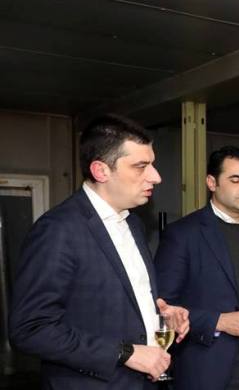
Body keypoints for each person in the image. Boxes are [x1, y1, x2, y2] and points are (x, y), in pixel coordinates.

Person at [9, 114, 189, 389]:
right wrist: (125, 353)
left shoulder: (133, 223)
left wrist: (160, 315)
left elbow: (113, 303)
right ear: (101, 171)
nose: (156, 177)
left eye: (152, 164)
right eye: (141, 166)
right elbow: (30, 329)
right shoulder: (58, 229)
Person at [155, 146, 239, 390]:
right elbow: (163, 307)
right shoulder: (183, 234)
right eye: (236, 180)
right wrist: (219, 321)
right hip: (210, 365)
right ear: (212, 182)